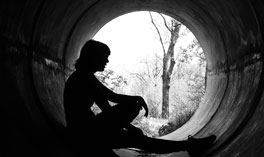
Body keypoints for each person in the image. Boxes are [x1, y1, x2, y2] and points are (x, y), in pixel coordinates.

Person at [63, 39, 216, 157]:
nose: (107, 61)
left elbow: (109, 103)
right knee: (136, 124)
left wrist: (132, 118)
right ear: (93, 57)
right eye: (104, 57)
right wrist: (134, 115)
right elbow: (110, 103)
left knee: (139, 136)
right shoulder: (84, 78)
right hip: (88, 135)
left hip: (89, 132)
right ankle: (189, 146)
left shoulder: (83, 76)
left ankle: (189, 146)